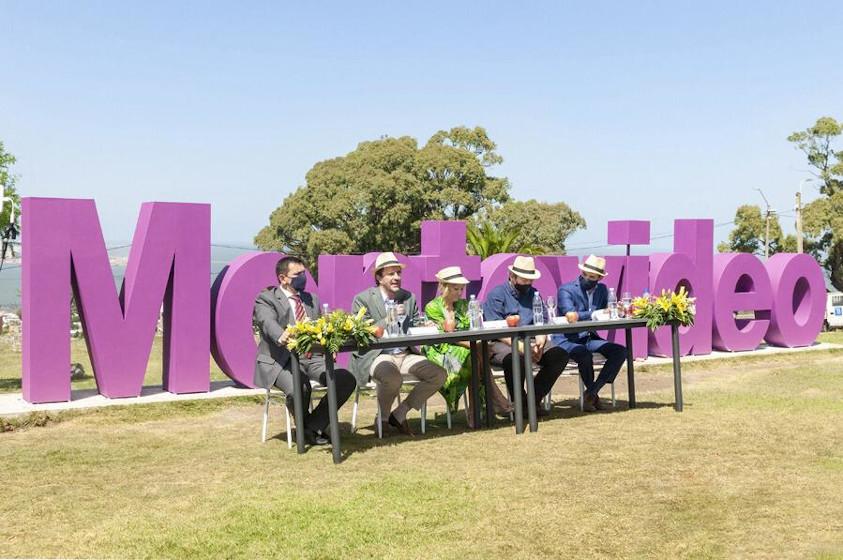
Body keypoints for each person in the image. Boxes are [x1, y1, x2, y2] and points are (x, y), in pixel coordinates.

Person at [253, 256, 357, 445]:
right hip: (281, 359)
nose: (303, 277)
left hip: (313, 358)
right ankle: (308, 430)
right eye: (297, 274)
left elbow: (321, 325)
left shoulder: (311, 299)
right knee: (299, 387)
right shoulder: (266, 298)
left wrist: (331, 343)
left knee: (345, 379)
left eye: (304, 273)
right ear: (283, 278)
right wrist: (281, 334)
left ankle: (311, 425)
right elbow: (266, 321)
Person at [349, 252, 447, 436]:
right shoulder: (363, 299)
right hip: (378, 355)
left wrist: (426, 324)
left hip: (406, 353)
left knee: (439, 375)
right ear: (379, 277)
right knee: (393, 378)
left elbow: (415, 322)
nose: (396, 278)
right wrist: (388, 319)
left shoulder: (409, 297)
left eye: (398, 273)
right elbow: (360, 333)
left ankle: (400, 414)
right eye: (391, 274)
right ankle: (383, 418)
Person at [423, 266, 513, 427]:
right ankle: (495, 403)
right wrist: (474, 345)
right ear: (443, 287)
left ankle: (478, 413)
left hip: (468, 350)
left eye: (461, 288)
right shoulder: (432, 307)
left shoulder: (465, 305)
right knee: (478, 353)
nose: (459, 292)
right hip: (441, 351)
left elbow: (472, 327)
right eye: (455, 288)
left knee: (475, 358)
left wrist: (474, 345)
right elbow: (444, 337)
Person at [482, 256, 569, 417]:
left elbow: (541, 319)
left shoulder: (534, 293)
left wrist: (541, 340)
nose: (528, 283)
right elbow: (495, 328)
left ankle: (534, 399)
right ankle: (520, 403)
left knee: (559, 355)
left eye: (530, 280)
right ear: (512, 276)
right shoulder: (497, 294)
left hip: (531, 339)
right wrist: (521, 347)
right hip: (502, 341)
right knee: (515, 358)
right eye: (524, 279)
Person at [554, 255, 628, 412]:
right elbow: (570, 315)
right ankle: (592, 396)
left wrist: (618, 310)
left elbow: (607, 312)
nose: (587, 278)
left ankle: (592, 392)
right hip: (567, 339)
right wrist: (597, 312)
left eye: (592, 277)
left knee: (620, 351)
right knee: (584, 354)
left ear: (600, 277)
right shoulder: (566, 289)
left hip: (588, 337)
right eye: (585, 274)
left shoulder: (602, 289)